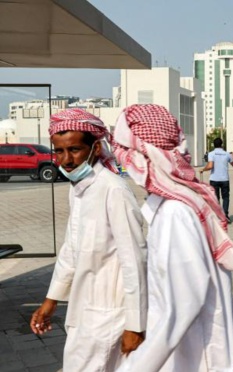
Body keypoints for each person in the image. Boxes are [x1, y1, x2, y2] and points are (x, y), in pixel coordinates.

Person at [112, 104, 233, 372]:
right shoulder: (180, 204)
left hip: (202, 360)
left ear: (143, 156)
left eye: (125, 153)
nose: (122, 160)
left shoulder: (176, 213)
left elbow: (182, 308)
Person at [30, 109, 147, 371]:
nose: (66, 160)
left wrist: (135, 324)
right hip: (83, 309)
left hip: (109, 312)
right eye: (59, 151)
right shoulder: (79, 190)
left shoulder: (113, 189)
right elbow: (71, 248)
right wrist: (51, 300)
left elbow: (135, 259)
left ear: (95, 148)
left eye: (74, 150)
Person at [200, 138, 233, 223]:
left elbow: (210, 166)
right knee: (226, 197)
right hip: (224, 179)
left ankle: (218, 216)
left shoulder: (211, 154)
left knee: (215, 198)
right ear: (222, 144)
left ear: (213, 144)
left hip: (214, 179)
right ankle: (225, 216)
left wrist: (203, 169)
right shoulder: (227, 154)